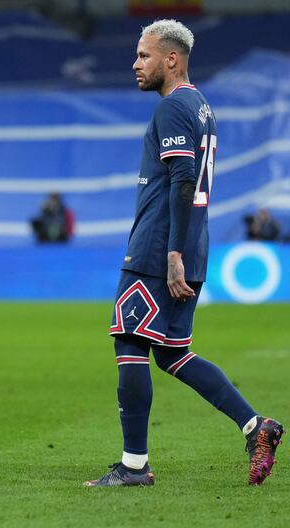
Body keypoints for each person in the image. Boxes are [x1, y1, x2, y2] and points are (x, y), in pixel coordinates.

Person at [85, 20, 283, 487]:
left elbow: (181, 179)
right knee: (173, 353)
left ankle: (134, 466)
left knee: (130, 343)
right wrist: (185, 250)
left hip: (160, 247)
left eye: (143, 55)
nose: (135, 63)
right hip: (192, 244)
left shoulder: (173, 108)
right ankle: (257, 427)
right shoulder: (201, 108)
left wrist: (171, 251)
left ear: (171, 59)